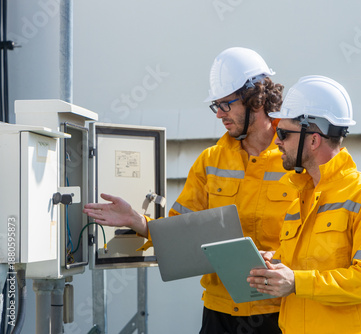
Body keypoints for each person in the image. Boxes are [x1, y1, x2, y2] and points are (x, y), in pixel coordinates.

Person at [83, 47, 298, 334]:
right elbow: (180, 230)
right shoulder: (210, 161)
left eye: (226, 104)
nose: (220, 114)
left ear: (255, 98)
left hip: (279, 311)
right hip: (219, 313)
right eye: (216, 106)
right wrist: (137, 221)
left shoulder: (295, 159)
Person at [246, 75, 361, 333]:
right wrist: (275, 262)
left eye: (283, 133)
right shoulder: (299, 201)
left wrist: (296, 281)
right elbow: (308, 266)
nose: (277, 141)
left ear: (314, 139)